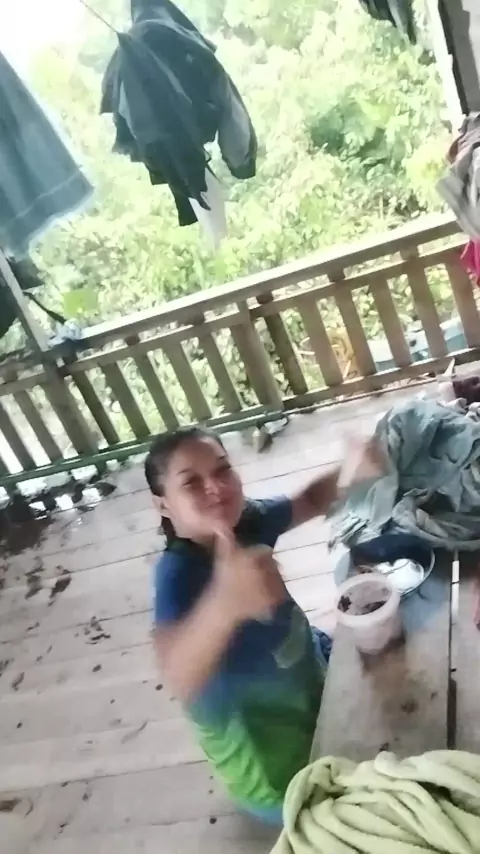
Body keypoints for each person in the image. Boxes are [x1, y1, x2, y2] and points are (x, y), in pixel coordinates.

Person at [145, 425, 381, 825]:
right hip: (278, 773)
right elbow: (177, 673)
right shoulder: (177, 575)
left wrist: (352, 469)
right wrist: (224, 605)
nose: (216, 487)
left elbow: (308, 500)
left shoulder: (248, 520)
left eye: (222, 470)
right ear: (163, 505)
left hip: (307, 678)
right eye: (191, 483)